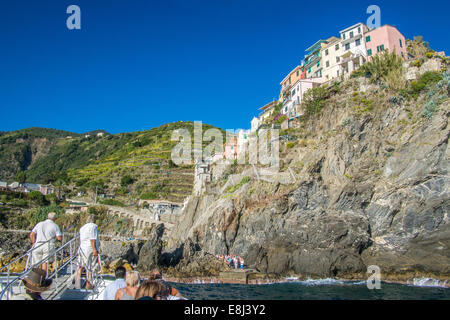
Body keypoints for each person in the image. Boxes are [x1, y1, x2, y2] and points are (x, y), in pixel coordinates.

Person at [75, 214, 100, 290]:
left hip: (82, 248)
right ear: (94, 220)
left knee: (79, 266)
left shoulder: (82, 227)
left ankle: (77, 284)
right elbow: (92, 239)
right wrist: (94, 249)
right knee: (90, 267)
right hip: (89, 249)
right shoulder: (93, 226)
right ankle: (88, 284)